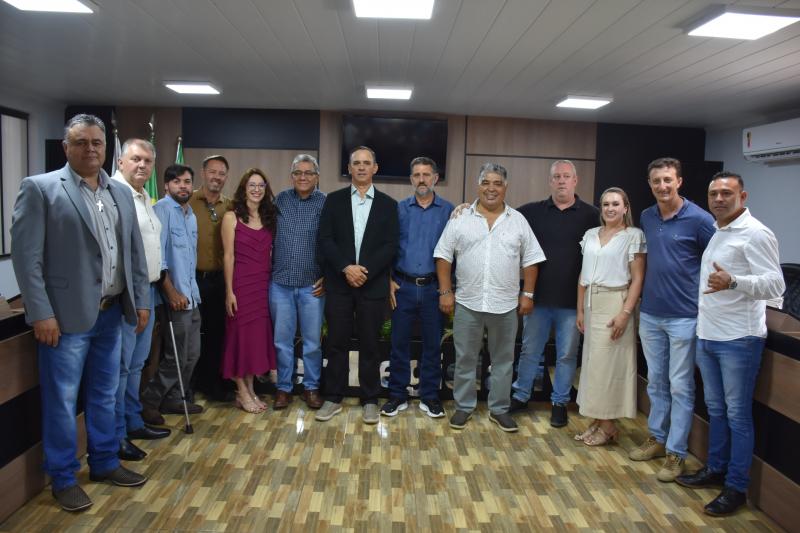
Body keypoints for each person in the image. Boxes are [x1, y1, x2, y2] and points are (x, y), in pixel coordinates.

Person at [10, 114, 149, 511]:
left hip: (111, 313)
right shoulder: (40, 188)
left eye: (96, 142)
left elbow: (133, 253)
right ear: (66, 147)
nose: (90, 149)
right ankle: (63, 476)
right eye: (81, 142)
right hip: (65, 319)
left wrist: (140, 300)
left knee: (105, 394)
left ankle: (104, 461)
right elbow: (26, 258)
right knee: (63, 400)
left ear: (106, 148)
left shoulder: (120, 192)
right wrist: (41, 313)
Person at [677, 172, 784, 516]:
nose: (719, 199)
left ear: (743, 196)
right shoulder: (719, 230)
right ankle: (715, 469)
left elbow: (775, 285)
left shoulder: (756, 233)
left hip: (739, 339)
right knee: (717, 409)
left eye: (726, 193)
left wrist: (734, 281)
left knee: (737, 415)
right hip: (709, 334)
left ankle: (736, 488)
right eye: (714, 194)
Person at [434, 163, 545, 433]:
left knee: (503, 362)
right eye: (486, 182)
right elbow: (443, 256)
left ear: (505, 187)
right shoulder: (460, 217)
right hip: (468, 303)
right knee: (464, 359)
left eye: (497, 183)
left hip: (505, 305)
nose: (491, 188)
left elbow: (531, 260)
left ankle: (499, 409)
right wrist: (446, 292)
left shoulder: (518, 220)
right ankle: (464, 407)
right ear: (478, 186)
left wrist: (528, 294)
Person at [630, 157, 716, 483]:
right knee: (656, 382)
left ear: (679, 181)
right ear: (650, 184)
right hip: (651, 314)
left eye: (668, 180)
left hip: (685, 317)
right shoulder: (647, 216)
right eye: (657, 181)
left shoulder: (700, 220)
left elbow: (717, 262)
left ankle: (676, 453)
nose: (662, 186)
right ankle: (657, 437)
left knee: (680, 385)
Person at [509, 160, 599, 428]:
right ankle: (521, 396)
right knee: (529, 351)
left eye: (566, 176)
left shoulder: (593, 215)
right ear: (550, 181)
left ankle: (559, 402)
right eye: (557, 176)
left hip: (573, 302)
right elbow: (500, 214)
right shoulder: (531, 212)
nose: (561, 181)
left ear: (575, 181)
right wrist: (466, 208)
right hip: (537, 299)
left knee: (566, 355)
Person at [315, 146, 399, 424]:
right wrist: (346, 268)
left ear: (375, 168)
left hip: (372, 286)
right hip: (339, 285)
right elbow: (325, 239)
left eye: (366, 163)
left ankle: (370, 399)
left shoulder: (389, 204)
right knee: (336, 343)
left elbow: (390, 246)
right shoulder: (333, 200)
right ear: (349, 168)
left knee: (370, 345)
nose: (361, 167)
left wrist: (365, 272)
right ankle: (333, 397)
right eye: (356, 163)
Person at [111, 139, 171, 463]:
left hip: (148, 288)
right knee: (121, 368)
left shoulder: (144, 196)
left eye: (147, 161)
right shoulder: (114, 195)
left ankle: (133, 422)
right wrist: (137, 298)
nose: (142, 165)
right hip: (126, 295)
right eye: (135, 159)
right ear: (121, 161)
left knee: (137, 364)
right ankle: (117, 434)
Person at [381, 157, 454, 419]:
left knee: (432, 346)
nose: (421, 179)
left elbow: (457, 250)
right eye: (416, 175)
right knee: (398, 343)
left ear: (435, 178)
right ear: (411, 179)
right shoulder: (398, 210)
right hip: (403, 287)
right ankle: (397, 395)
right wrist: (388, 279)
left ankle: (429, 396)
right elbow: (386, 247)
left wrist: (449, 289)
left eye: (426, 174)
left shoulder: (450, 211)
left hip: (434, 288)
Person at [573, 187, 646, 446]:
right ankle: (598, 418)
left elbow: (638, 278)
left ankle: (608, 426)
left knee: (608, 367)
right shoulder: (591, 235)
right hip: (591, 302)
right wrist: (580, 309)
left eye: (616, 204)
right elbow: (583, 276)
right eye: (605, 204)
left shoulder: (633, 236)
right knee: (593, 366)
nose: (610, 208)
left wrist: (625, 313)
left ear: (625, 208)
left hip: (616, 302)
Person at [141, 165, 203, 423]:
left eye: (187, 181)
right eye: (177, 181)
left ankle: (175, 398)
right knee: (175, 356)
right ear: (166, 185)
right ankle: (150, 402)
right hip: (174, 298)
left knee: (192, 353)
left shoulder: (190, 215)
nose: (183, 186)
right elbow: (158, 258)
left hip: (192, 296)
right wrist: (171, 292)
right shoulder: (162, 211)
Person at [270, 154, 326, 410]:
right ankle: (284, 388)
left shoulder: (326, 203)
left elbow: (333, 242)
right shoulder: (279, 201)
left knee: (312, 343)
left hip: (312, 286)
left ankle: (311, 388)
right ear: (291, 176)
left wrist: (328, 276)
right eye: (298, 173)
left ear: (316, 177)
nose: (303, 177)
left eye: (308, 173)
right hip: (280, 284)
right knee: (282, 342)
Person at [221, 169, 278, 413]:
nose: (256, 189)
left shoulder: (268, 218)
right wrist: (229, 291)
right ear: (243, 189)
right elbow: (228, 256)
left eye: (261, 185)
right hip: (240, 286)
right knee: (238, 338)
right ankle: (241, 391)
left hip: (262, 285)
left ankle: (251, 389)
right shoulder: (231, 217)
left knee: (254, 340)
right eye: (251, 185)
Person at [188, 155, 233, 401]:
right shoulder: (187, 201)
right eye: (213, 172)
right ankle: (188, 386)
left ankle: (212, 384)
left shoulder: (231, 206)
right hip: (192, 279)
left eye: (222, 173)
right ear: (203, 173)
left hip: (219, 281)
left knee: (217, 334)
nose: (217, 177)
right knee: (191, 335)